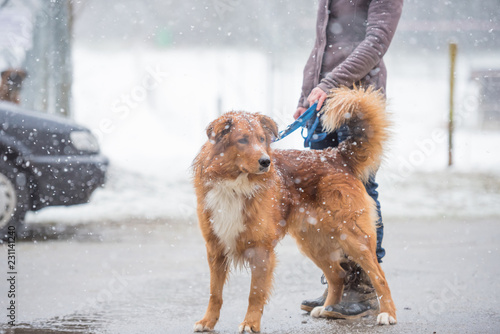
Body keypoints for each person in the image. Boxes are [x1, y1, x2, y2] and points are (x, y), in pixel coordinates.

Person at [295, 0, 403, 319]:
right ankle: (338, 284)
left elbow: (377, 42)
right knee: (324, 197)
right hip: (323, 105)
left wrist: (327, 85)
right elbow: (321, 47)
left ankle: (365, 286)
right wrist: (306, 97)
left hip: (358, 103)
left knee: (359, 190)